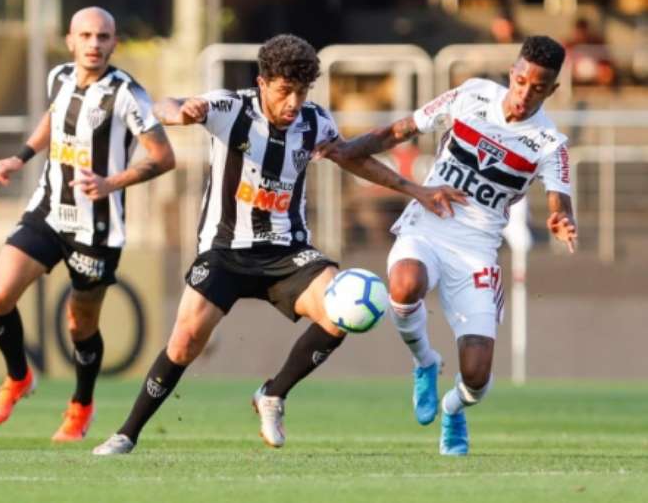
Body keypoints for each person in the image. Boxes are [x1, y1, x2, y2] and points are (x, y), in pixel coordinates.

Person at [92, 33, 466, 455]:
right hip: (225, 249)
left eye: (302, 92)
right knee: (184, 342)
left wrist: (415, 189)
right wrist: (182, 110)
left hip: (288, 250)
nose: (293, 103)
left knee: (343, 310)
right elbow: (164, 105)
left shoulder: (316, 122)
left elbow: (353, 159)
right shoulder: (229, 107)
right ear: (262, 82)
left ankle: (273, 394)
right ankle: (127, 433)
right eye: (285, 91)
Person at [316, 36, 577, 456]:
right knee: (403, 284)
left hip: (477, 249)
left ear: (553, 90)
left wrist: (561, 217)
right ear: (513, 72)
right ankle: (424, 361)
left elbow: (558, 198)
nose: (526, 94)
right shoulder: (471, 95)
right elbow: (400, 130)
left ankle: (453, 408)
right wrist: (346, 148)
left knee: (476, 377)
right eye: (522, 81)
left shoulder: (550, 144)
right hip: (429, 223)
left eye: (539, 88)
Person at [0, 6, 175, 442]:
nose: (94, 44)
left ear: (114, 43)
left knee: (80, 325)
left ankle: (81, 405)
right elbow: (54, 118)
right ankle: (17, 379)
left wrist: (112, 182)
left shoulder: (128, 94)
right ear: (70, 41)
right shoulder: (59, 78)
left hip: (97, 230)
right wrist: (20, 156)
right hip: (49, 212)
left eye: (103, 37)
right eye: (85, 36)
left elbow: (164, 157)